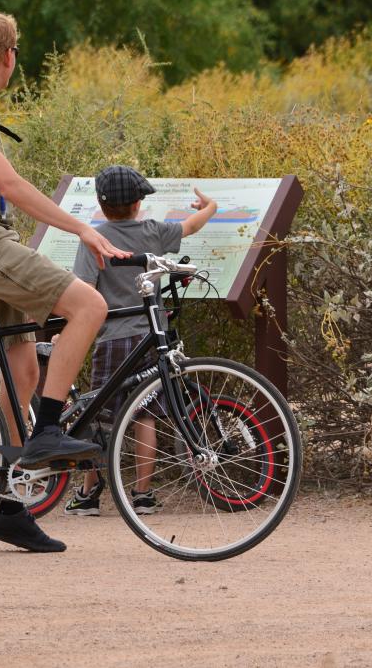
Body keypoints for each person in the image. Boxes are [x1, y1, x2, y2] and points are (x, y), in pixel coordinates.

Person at [0, 11, 131, 553]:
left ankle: (5, 507)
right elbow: (9, 184)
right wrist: (83, 227)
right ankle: (47, 433)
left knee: (20, 368)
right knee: (87, 307)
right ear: (9, 57)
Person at [63, 166, 218, 516]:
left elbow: (84, 290)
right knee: (145, 414)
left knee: (99, 416)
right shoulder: (154, 232)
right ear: (138, 203)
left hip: (111, 337)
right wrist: (211, 207)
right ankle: (143, 494)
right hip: (150, 336)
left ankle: (89, 495)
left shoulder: (93, 238)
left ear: (102, 207)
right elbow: (191, 225)